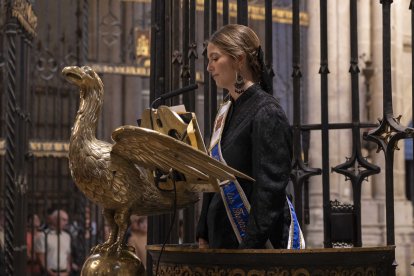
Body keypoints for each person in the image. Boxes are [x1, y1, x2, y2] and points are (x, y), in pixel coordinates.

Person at [196, 24, 305, 249]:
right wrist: (203, 232)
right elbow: (215, 175)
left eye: (215, 58)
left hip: (254, 247)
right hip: (221, 241)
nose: (209, 67)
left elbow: (270, 191)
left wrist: (249, 247)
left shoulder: (266, 112)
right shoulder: (225, 111)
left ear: (238, 59)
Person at [35, 209, 71, 276]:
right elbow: (40, 258)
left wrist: (67, 271)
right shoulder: (43, 236)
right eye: (63, 220)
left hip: (64, 272)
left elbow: (68, 256)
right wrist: (51, 273)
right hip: (49, 273)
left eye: (67, 220)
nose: (66, 223)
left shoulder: (67, 236)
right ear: (54, 219)